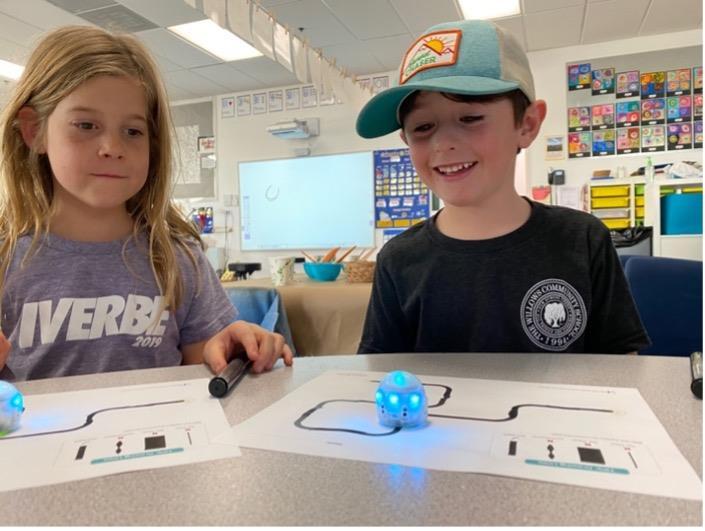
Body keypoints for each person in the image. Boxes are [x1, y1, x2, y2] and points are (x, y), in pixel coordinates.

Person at [0, 26, 293, 381]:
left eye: (133, 131)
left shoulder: (178, 260)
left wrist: (235, 349)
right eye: (86, 125)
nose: (113, 148)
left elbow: (207, 367)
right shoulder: (6, 259)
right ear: (34, 131)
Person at [355, 19, 650, 355]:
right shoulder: (398, 259)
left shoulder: (583, 239)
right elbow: (378, 372)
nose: (443, 143)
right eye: (422, 127)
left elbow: (621, 363)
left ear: (527, 124)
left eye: (470, 118)